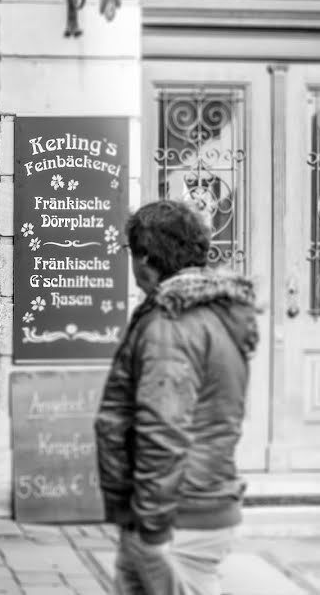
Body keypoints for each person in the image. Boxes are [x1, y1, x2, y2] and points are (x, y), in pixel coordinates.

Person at [95, 200, 259, 594]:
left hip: (176, 518)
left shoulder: (172, 323)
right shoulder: (210, 313)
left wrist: (151, 527)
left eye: (131, 254)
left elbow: (162, 428)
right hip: (177, 508)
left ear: (146, 258)